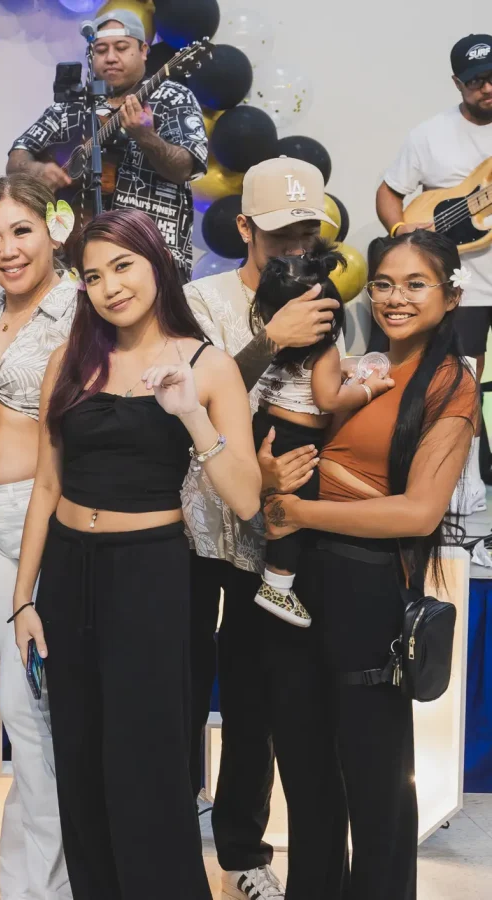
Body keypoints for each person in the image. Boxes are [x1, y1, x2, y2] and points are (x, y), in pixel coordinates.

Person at [11, 209, 260, 898]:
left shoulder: (207, 364)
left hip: (151, 574)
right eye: (93, 276)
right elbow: (47, 485)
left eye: (122, 266)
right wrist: (24, 598)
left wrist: (190, 411)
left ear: (158, 264)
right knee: (80, 760)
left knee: (147, 763)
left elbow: (246, 497)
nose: (110, 286)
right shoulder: (70, 361)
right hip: (67, 573)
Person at [264, 230, 479, 900]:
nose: (395, 297)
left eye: (415, 284)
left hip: (368, 586)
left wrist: (301, 512)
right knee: (306, 771)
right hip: (300, 579)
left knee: (375, 779)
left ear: (450, 297)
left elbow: (418, 512)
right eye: (383, 283)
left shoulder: (452, 384)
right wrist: (274, 478)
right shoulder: (357, 368)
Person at [182, 156, 348, 900]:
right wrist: (271, 340)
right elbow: (187, 402)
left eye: (306, 233)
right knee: (180, 693)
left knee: (256, 704)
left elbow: (329, 406)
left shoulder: (329, 300)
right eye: (280, 233)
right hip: (192, 527)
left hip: (272, 537)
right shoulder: (199, 300)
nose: (294, 248)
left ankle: (244, 852)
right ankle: (172, 840)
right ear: (244, 227)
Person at [0, 175, 76, 899]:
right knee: (25, 713)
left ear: (53, 229)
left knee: (34, 713)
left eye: (21, 230)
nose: (7, 249)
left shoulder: (82, 310)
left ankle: (49, 886)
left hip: (48, 522)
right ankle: (27, 881)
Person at [251, 240, 395, 626]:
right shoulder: (324, 351)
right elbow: (329, 399)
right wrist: (369, 389)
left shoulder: (276, 346)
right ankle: (278, 585)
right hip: (297, 440)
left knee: (275, 501)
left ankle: (274, 577)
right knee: (293, 513)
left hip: (265, 429)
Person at [7, 9, 208, 277]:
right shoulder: (72, 106)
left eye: (121, 48)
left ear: (144, 50)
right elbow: (17, 156)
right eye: (101, 50)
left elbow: (184, 168)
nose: (111, 57)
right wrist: (37, 171)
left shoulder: (172, 97)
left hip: (153, 259)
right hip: (75, 265)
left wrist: (146, 137)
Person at [374, 33, 492, 370]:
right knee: (463, 373)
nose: (487, 88)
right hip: (464, 284)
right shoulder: (430, 135)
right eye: (476, 80)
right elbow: (389, 191)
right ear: (457, 83)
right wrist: (399, 229)